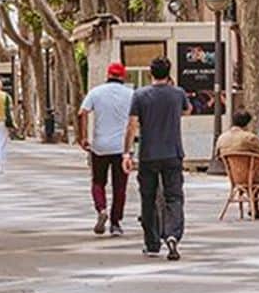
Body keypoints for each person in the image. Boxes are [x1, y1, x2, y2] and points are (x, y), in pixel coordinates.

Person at [125, 56, 191, 261]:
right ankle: (172, 235)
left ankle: (152, 243)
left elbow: (132, 125)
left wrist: (127, 152)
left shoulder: (140, 95)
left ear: (149, 73)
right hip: (173, 153)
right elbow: (187, 110)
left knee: (148, 198)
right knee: (174, 197)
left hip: (149, 154)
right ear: (169, 72)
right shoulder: (178, 94)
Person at [78, 63, 134, 236]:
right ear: (123, 77)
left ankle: (101, 209)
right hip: (122, 148)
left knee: (98, 182)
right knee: (120, 187)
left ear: (108, 75)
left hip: (100, 146)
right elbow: (134, 120)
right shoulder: (131, 94)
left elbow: (82, 113)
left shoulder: (96, 92)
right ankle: (116, 223)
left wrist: (83, 137)